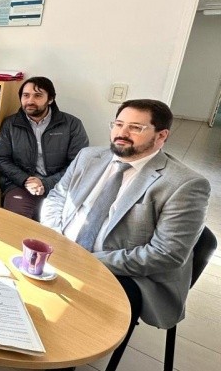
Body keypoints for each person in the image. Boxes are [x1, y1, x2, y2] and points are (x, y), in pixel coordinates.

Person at [40, 99, 210, 371]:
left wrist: (88, 262)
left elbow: (166, 254)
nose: (122, 133)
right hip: (64, 250)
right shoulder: (89, 156)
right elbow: (58, 197)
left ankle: (60, 359)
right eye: (118, 124)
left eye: (135, 128)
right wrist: (55, 238)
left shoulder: (185, 184)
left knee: (68, 316)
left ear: (161, 135)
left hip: (129, 273)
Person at [0, 77, 89, 220]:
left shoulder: (71, 125)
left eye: (38, 95)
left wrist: (46, 183)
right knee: (16, 221)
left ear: (50, 99)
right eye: (26, 95)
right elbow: (0, 158)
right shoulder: (11, 124)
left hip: (60, 186)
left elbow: (79, 163)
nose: (30, 101)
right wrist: (25, 180)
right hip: (20, 184)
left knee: (60, 224)